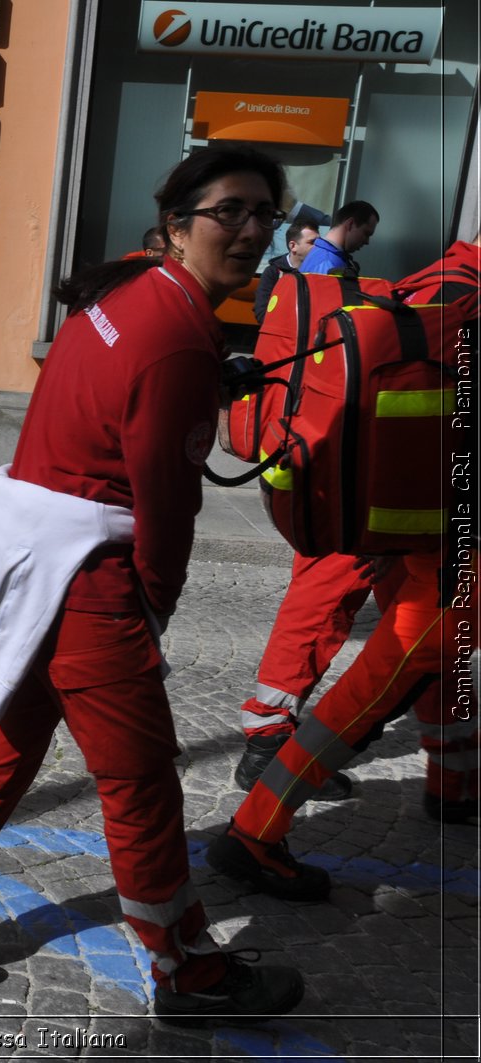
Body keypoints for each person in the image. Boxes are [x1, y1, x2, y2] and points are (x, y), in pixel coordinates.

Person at [0, 146, 304, 1024]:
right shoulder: (176, 333)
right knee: (141, 782)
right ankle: (184, 968)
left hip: (39, 553)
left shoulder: (136, 289)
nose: (253, 231)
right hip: (86, 579)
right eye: (232, 212)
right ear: (179, 223)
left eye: (265, 214)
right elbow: (168, 503)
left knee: (2, 751)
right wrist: (155, 604)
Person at [208, 235, 481, 899]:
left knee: (429, 656)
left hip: (427, 523)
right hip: (445, 539)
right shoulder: (465, 292)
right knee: (379, 682)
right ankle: (255, 829)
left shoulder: (449, 273)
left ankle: (451, 783)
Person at [231, 207, 383, 800]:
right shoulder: (455, 299)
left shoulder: (442, 291)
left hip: (334, 466)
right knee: (327, 603)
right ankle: (269, 751)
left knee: (428, 624)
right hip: (358, 480)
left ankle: (451, 770)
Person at [250, 219, 319, 324]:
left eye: (319, 242)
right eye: (312, 242)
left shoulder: (320, 272)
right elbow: (262, 313)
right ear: (293, 246)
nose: (318, 247)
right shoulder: (273, 273)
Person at [297, 200, 377, 277]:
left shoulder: (325, 256)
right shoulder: (327, 264)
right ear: (350, 224)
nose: (367, 242)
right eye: (366, 233)